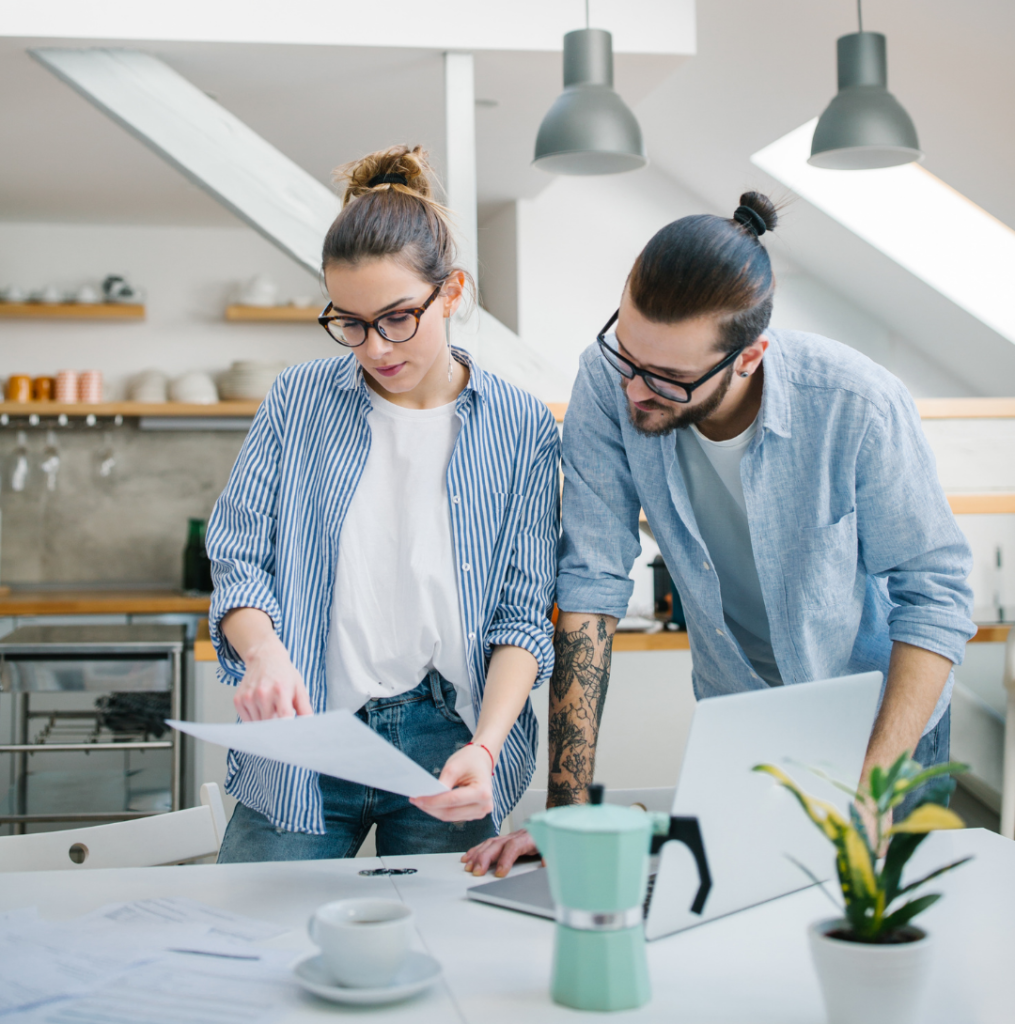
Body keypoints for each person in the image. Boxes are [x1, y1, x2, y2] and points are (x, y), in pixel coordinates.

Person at [464, 192, 976, 878]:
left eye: (670, 378)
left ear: (748, 356)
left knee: (878, 934)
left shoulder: (857, 404)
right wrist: (569, 809)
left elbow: (934, 595)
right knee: (743, 914)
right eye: (628, 355)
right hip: (741, 717)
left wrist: (872, 786)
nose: (636, 392)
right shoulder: (607, 381)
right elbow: (590, 584)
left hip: (880, 716)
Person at [206, 145, 560, 861]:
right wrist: (264, 653)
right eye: (350, 322)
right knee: (251, 943)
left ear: (452, 292)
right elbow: (238, 556)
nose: (374, 347)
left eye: (398, 317)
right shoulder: (298, 398)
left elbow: (522, 620)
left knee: (446, 955)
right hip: (307, 733)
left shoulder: (520, 426)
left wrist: (487, 750)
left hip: (449, 737)